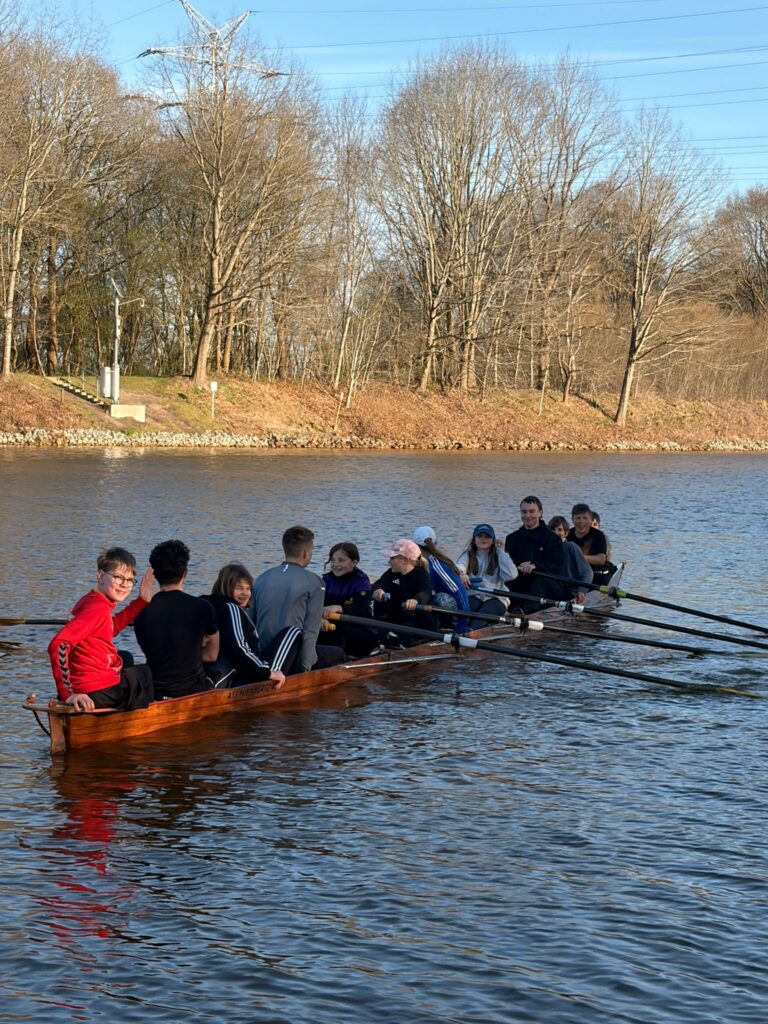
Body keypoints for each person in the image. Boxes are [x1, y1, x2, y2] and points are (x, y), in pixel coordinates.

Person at [48, 546, 155, 712]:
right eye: (118, 577)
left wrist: (141, 602)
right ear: (100, 576)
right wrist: (67, 694)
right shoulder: (97, 608)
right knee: (146, 673)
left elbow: (108, 628)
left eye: (129, 580)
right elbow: (58, 644)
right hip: (96, 690)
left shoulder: (91, 599)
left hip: (87, 684)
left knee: (125, 658)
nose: (124, 585)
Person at [251, 526, 346, 674]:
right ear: (305, 553)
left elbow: (251, 624)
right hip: (291, 659)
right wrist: (304, 670)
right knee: (339, 653)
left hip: (262, 656)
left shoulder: (261, 578)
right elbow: (310, 632)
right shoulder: (315, 582)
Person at [134, 539, 219, 699]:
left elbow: (150, 651)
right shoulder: (202, 606)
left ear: (155, 574)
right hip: (193, 689)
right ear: (185, 572)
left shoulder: (140, 611)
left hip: (156, 691)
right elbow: (211, 655)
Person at [203, 562, 301, 687]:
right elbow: (238, 647)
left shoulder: (206, 603)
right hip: (249, 674)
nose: (245, 593)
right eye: (239, 588)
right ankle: (274, 678)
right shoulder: (230, 608)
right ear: (226, 587)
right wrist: (267, 673)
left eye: (248, 588)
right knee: (293, 632)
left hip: (229, 668)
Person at [503, 496, 566, 611]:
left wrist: (535, 566)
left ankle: (528, 614)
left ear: (540, 513)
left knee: (538, 584)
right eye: (524, 512)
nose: (527, 515)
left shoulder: (553, 538)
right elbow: (508, 563)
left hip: (546, 581)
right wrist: (519, 565)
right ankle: (505, 610)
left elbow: (557, 565)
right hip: (521, 578)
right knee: (507, 582)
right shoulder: (511, 538)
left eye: (532, 511)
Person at [371, 538, 436, 643]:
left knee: (407, 599)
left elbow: (426, 593)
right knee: (381, 598)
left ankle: (406, 640)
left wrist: (416, 600)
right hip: (399, 620)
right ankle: (382, 634)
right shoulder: (391, 573)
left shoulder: (421, 575)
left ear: (404, 560)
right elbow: (377, 584)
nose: (389, 561)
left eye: (392, 558)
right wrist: (378, 590)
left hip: (421, 623)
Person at [319, 542, 378, 658]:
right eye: (333, 560)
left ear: (354, 563)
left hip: (361, 627)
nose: (336, 564)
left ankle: (336, 661)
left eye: (341, 560)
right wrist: (320, 619)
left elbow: (361, 609)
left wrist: (339, 607)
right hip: (332, 624)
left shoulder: (361, 580)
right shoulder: (325, 580)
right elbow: (316, 605)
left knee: (338, 630)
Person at [456, 524, 518, 629]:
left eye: (487, 536)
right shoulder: (467, 555)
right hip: (474, 594)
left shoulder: (499, 555)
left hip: (497, 597)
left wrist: (501, 551)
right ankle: (459, 632)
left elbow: (512, 575)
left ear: (493, 540)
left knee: (482, 615)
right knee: (463, 613)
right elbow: (459, 566)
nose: (483, 539)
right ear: (474, 539)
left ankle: (471, 633)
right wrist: (461, 574)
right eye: (480, 536)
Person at [412, 525, 471, 631]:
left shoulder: (437, 565)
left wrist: (463, 622)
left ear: (414, 545)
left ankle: (449, 626)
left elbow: (458, 591)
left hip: (450, 609)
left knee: (440, 598)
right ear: (436, 542)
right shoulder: (413, 563)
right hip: (429, 604)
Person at [548, 516, 593, 604]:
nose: (556, 533)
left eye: (559, 530)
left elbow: (587, 572)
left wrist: (581, 591)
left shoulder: (571, 547)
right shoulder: (545, 549)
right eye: (552, 530)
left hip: (569, 591)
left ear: (566, 533)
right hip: (552, 588)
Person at [567, 503, 616, 586]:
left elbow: (601, 560)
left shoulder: (598, 535)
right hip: (573, 573)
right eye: (578, 518)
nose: (581, 521)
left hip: (596, 574)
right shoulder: (568, 534)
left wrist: (578, 557)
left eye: (585, 518)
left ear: (590, 520)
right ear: (572, 520)